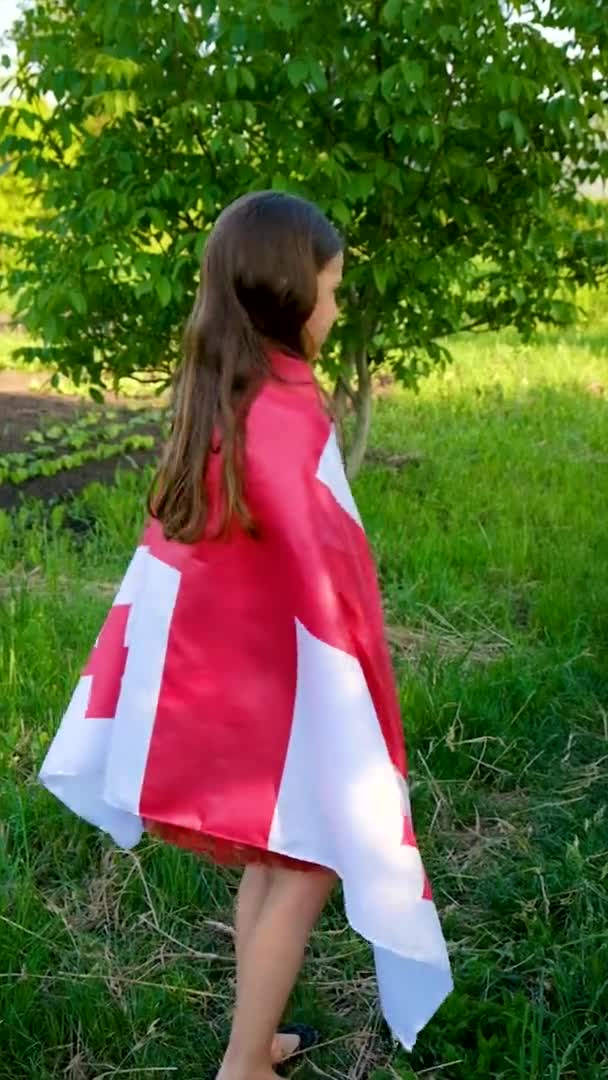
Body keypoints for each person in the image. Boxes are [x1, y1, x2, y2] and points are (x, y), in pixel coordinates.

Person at [40, 192, 452, 1080]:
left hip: (253, 683)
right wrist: (360, 694)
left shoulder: (224, 394)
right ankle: (243, 1066)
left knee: (277, 855)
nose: (338, 312)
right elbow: (324, 575)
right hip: (291, 685)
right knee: (306, 861)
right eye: (332, 291)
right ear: (287, 293)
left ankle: (250, 1041)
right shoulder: (282, 419)